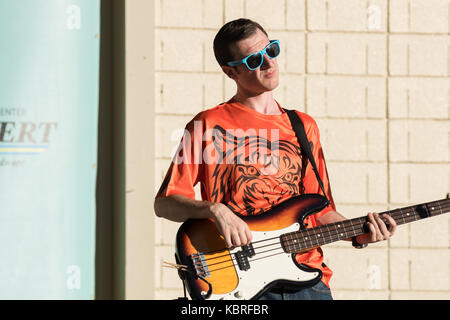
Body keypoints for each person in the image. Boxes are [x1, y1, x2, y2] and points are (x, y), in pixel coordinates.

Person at [154, 18, 396, 300]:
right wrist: (215, 210)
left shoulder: (303, 126)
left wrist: (359, 235)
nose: (269, 63)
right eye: (254, 59)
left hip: (308, 281)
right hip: (241, 285)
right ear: (229, 71)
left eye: (272, 50)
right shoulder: (206, 125)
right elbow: (164, 203)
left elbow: (319, 209)